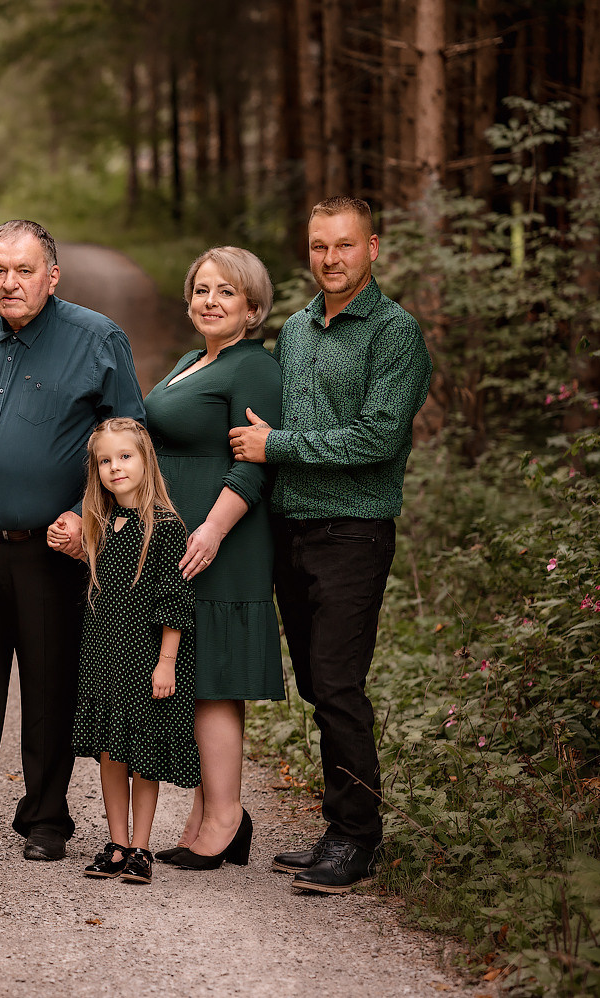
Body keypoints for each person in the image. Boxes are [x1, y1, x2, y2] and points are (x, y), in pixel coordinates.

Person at [0, 219, 148, 862]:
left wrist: (84, 513)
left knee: (49, 685)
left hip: (54, 548)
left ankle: (46, 817)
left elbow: (129, 436)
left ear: (52, 275)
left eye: (24, 271)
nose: (9, 283)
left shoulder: (97, 338)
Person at [229, 196, 431, 893]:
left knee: (340, 685)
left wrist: (275, 444)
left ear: (372, 247)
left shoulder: (395, 333)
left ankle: (357, 838)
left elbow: (379, 439)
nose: (331, 259)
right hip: (292, 531)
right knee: (318, 684)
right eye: (319, 247)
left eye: (344, 246)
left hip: (353, 531)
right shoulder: (296, 329)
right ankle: (338, 823)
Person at [143, 247, 284, 871]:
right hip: (182, 543)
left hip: (222, 546)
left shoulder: (253, 367)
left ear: (252, 307)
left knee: (215, 683)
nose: (210, 301)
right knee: (198, 677)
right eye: (201, 289)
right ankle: (209, 814)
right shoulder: (190, 361)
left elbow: (253, 463)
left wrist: (211, 532)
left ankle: (225, 818)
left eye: (226, 292)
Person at [57, 418, 198, 886]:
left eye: (125, 457)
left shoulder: (166, 526)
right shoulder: (101, 524)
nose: (115, 467)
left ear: (145, 460)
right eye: (105, 461)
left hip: (145, 657)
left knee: (140, 754)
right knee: (109, 752)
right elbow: (105, 582)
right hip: (103, 653)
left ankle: (141, 847)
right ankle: (116, 844)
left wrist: (167, 662)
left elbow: (174, 599)